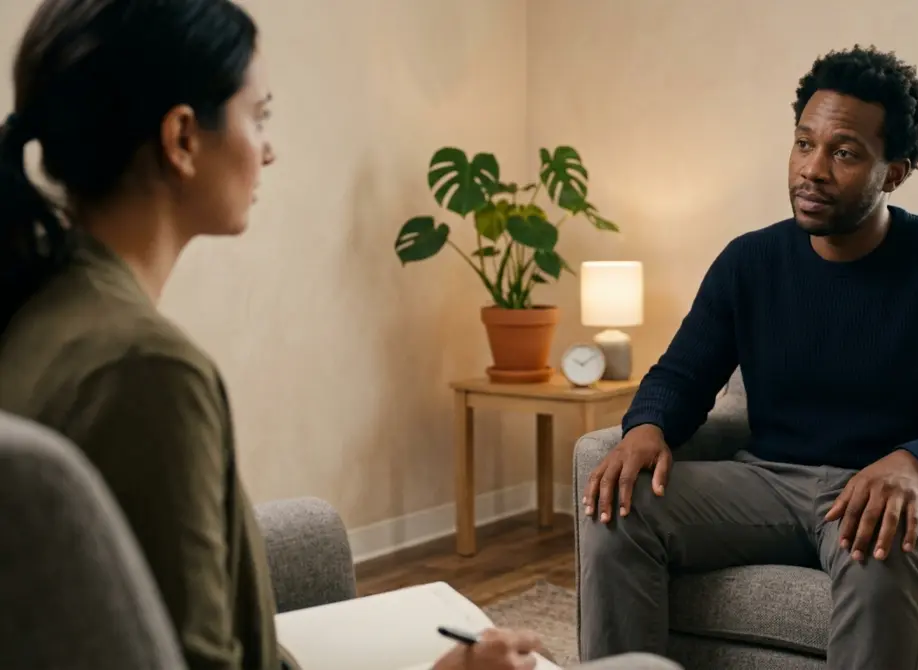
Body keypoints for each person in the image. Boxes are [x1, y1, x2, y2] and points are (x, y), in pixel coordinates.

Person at [0, 2, 682, 670]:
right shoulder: (146, 372)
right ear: (182, 139)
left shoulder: (33, 314)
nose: (269, 150)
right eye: (257, 117)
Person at [578, 45, 918, 669]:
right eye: (805, 144)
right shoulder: (750, 263)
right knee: (619, 507)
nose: (813, 169)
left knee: (881, 546)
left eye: (845, 152)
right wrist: (646, 426)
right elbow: (683, 373)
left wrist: (914, 460)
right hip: (767, 482)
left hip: (889, 492)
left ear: (894, 173)